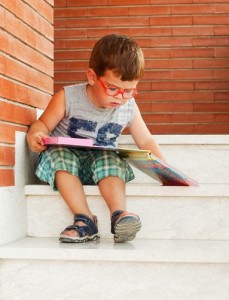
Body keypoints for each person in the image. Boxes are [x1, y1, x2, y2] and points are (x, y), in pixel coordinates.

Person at [27, 34, 165, 243]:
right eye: (112, 88)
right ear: (92, 77)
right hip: (65, 166)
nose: (120, 97)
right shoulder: (68, 97)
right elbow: (42, 124)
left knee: (112, 158)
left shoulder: (128, 106)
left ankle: (119, 216)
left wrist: (165, 171)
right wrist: (35, 135)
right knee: (60, 156)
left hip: (100, 167)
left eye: (129, 91)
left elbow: (145, 141)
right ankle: (85, 220)